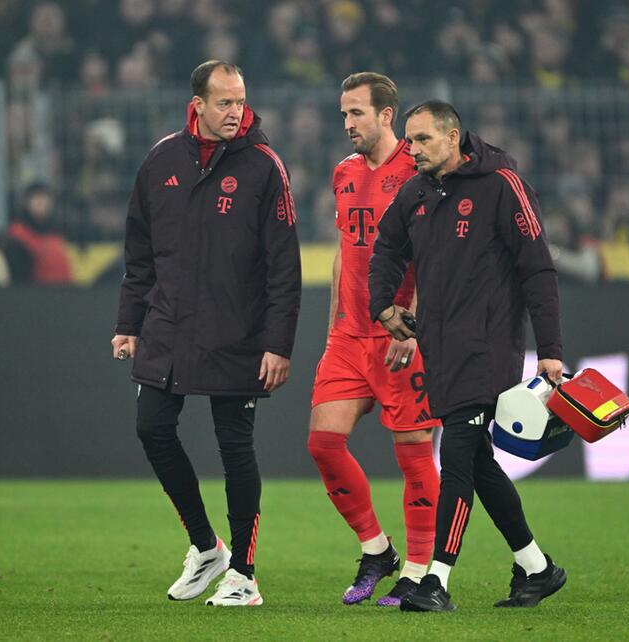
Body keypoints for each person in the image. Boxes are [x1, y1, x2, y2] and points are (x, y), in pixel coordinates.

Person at [112, 60, 301, 607]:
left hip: (237, 333)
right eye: (224, 103)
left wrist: (278, 343)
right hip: (168, 327)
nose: (235, 112)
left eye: (240, 102)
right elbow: (139, 255)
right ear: (197, 104)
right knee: (152, 429)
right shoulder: (161, 160)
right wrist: (129, 323)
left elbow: (284, 268)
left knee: (235, 447)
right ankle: (205, 546)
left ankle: (243, 572)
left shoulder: (265, 167)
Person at [369, 101, 567, 611]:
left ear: (453, 137)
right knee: (478, 462)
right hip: (440, 349)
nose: (411, 150)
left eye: (422, 140)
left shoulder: (501, 185)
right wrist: (383, 306)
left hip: (490, 348)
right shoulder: (415, 194)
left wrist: (550, 351)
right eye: (408, 141)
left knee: (456, 453)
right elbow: (385, 247)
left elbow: (538, 270)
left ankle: (436, 581)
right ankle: (536, 568)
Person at [307, 72, 441, 607]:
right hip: (348, 335)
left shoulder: (418, 170)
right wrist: (331, 325)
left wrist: (412, 320)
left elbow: (436, 258)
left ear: (388, 115)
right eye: (343, 114)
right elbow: (345, 249)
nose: (347, 124)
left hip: (398, 333)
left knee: (412, 453)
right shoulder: (343, 173)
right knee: (323, 442)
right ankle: (376, 548)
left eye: (356, 113)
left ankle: (415, 570)